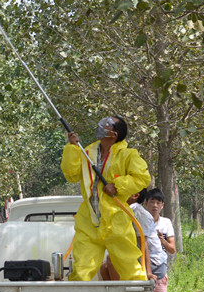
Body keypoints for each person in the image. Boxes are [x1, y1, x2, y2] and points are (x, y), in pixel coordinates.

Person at [61, 116, 151, 281]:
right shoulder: (87, 151)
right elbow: (71, 175)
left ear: (114, 134)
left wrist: (117, 186)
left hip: (117, 224)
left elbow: (142, 178)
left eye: (107, 124)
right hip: (89, 223)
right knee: (80, 273)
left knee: (131, 271)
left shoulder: (128, 155)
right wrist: (72, 148)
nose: (101, 125)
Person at [144, 188, 176, 292]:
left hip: (160, 273)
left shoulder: (166, 223)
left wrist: (162, 239)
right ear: (146, 203)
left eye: (158, 202)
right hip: (142, 274)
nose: (154, 205)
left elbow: (172, 250)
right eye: (152, 202)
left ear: (162, 205)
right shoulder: (141, 221)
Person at [99, 189, 159, 281]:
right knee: (104, 266)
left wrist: (148, 272)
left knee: (111, 259)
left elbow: (143, 244)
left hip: (148, 260)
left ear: (134, 196)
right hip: (132, 255)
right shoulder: (122, 209)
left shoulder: (138, 212)